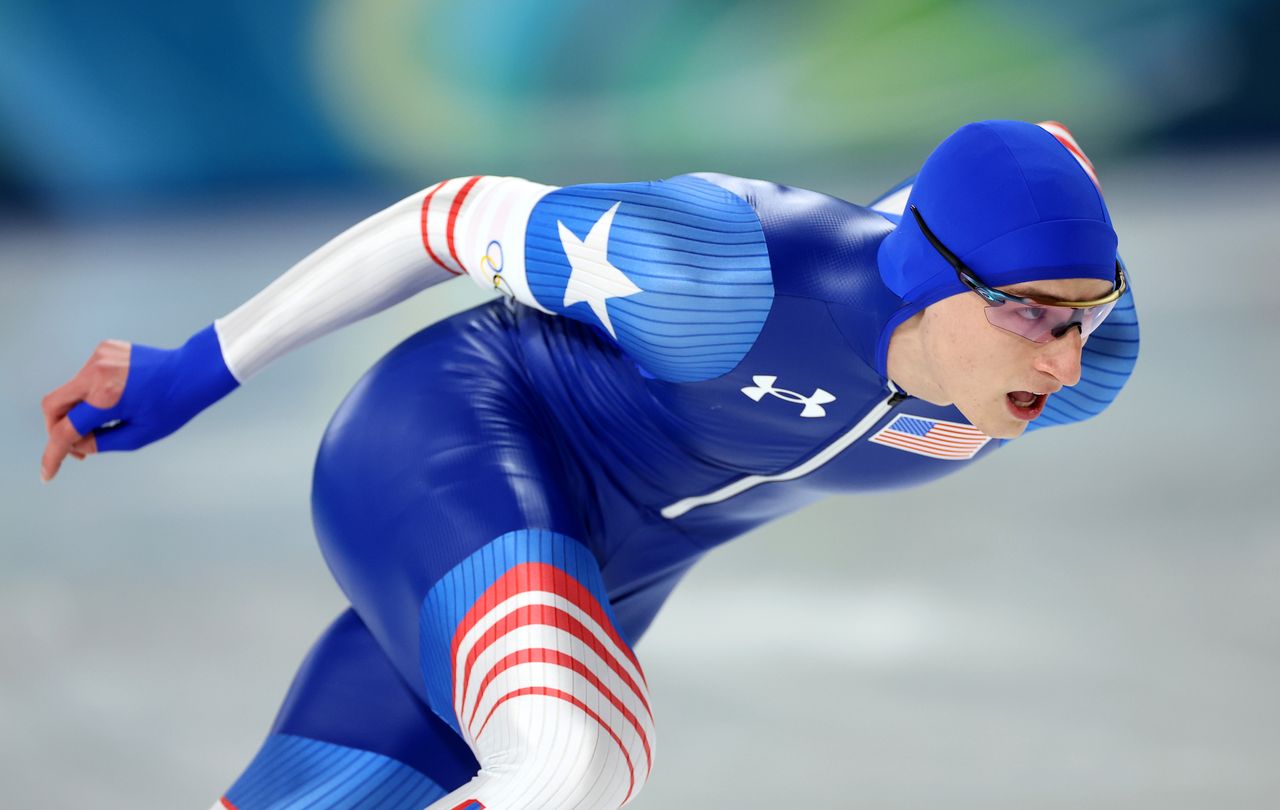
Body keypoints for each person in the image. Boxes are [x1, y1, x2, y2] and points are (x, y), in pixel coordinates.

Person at [39, 119, 1138, 809]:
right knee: (572, 760)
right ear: (928, 275)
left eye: (1085, 314)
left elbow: (999, 204)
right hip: (453, 442)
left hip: (600, 569)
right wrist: (190, 371)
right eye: (1029, 312)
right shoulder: (725, 270)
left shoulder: (1075, 372)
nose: (1061, 350)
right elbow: (443, 218)